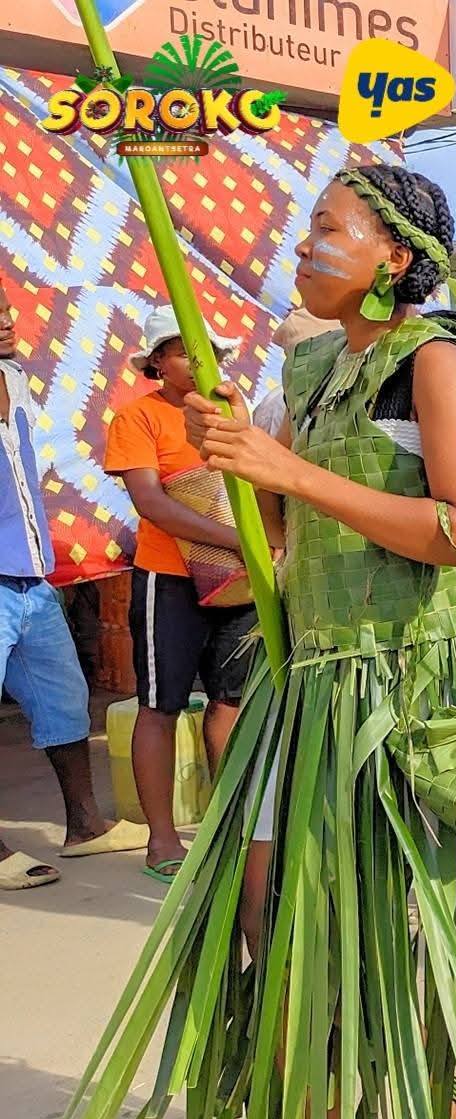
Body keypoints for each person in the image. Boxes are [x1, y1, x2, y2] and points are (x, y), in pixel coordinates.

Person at [58, 165, 456, 1119]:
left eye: (326, 227)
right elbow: (293, 535)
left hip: (414, 690)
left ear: (392, 256)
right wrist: (245, 468)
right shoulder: (314, 364)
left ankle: (453, 1114)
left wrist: (287, 471)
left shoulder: (435, 359)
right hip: (313, 688)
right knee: (283, 917)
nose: (300, 245)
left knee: (433, 922)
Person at [103, 306, 255, 884]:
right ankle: (162, 839)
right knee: (160, 705)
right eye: (184, 350)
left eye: (208, 350)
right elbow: (152, 504)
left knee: (230, 701)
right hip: (168, 578)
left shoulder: (231, 411)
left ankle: (232, 827)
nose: (199, 360)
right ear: (158, 364)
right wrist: (238, 540)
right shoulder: (137, 417)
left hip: (236, 579)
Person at [0, 276, 120, 890]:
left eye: (4, 309)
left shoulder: (15, 378)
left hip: (29, 578)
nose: (6, 320)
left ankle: (85, 825)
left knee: (65, 701)